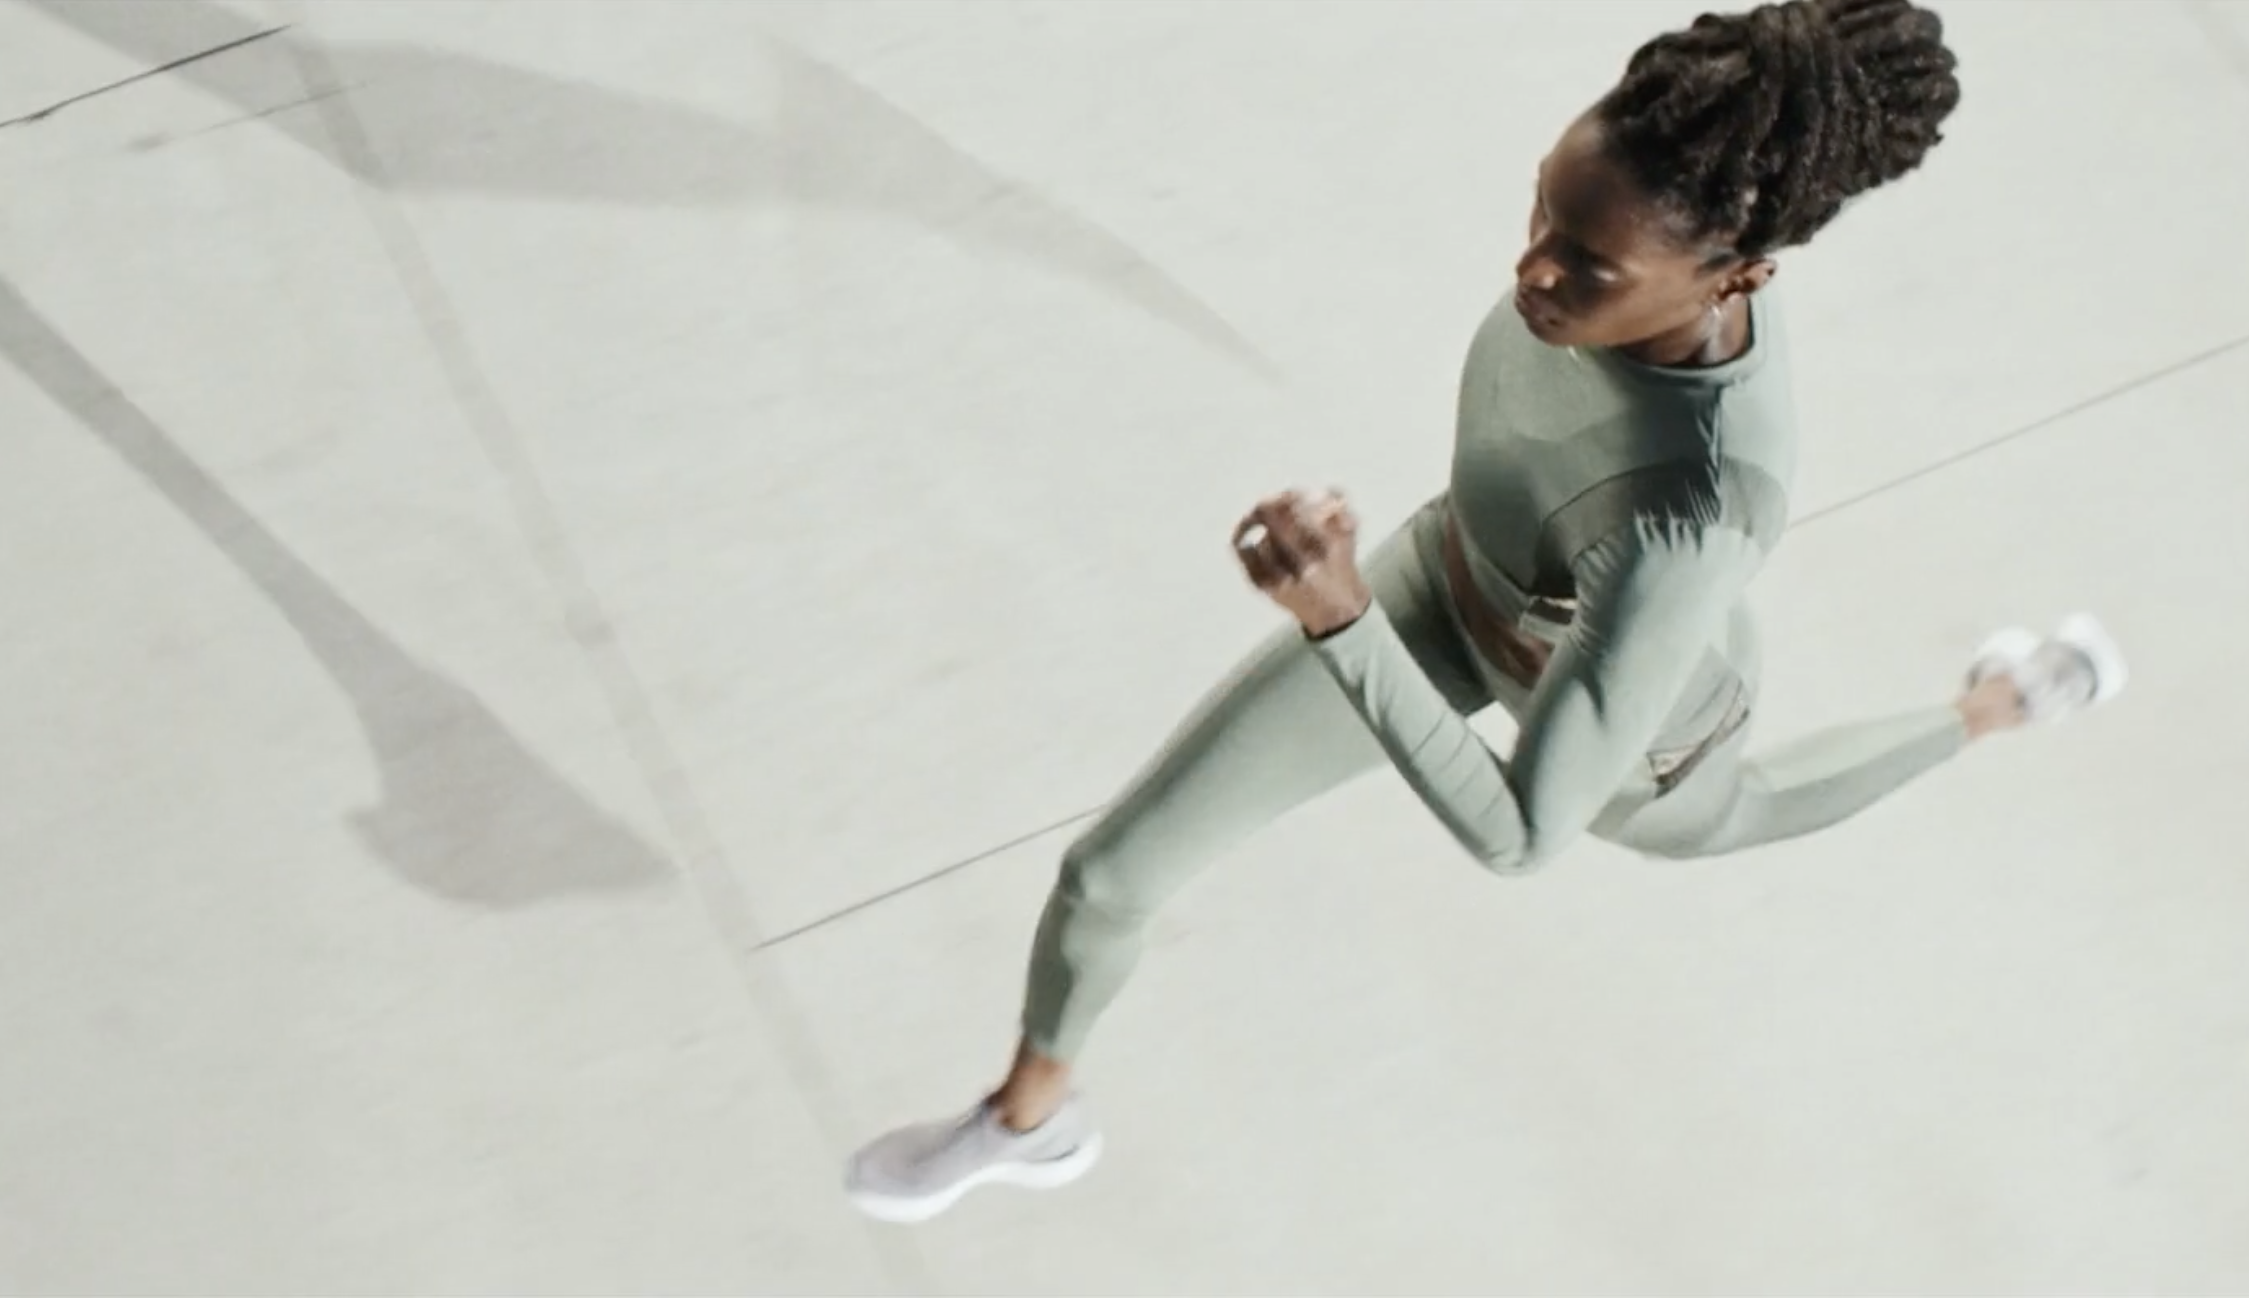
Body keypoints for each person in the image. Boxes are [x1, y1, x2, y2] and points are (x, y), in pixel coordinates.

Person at [842, 0, 2127, 1225]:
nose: (1533, 269)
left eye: (1587, 262)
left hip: (1648, 730)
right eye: (1541, 213)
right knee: (1112, 869)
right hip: (1440, 585)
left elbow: (1520, 835)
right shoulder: (1660, 233)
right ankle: (1027, 1123)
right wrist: (1365, 603)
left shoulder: (1693, 512)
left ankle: (2000, 700)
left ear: (1737, 272)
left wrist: (1340, 620)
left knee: (1750, 812)